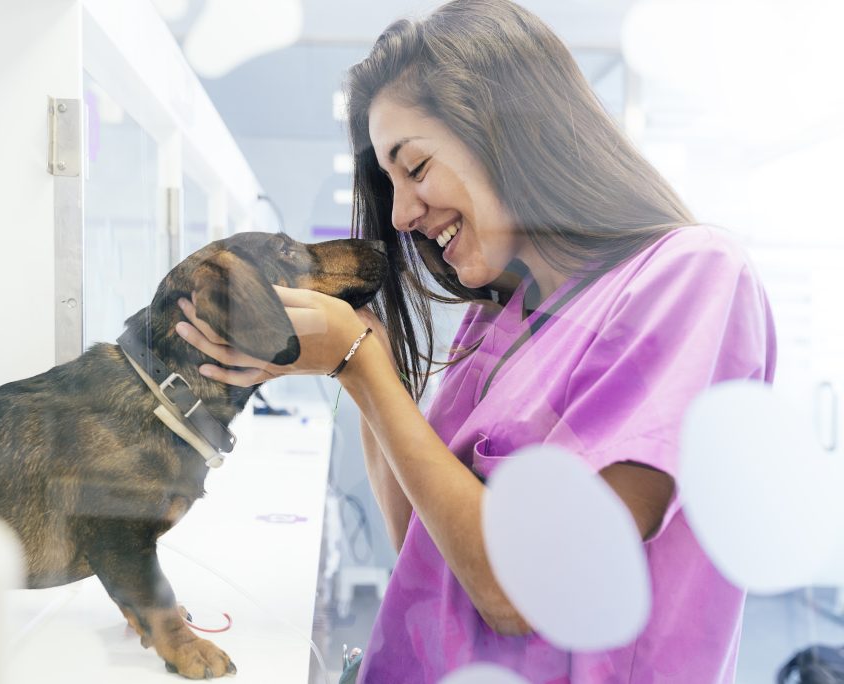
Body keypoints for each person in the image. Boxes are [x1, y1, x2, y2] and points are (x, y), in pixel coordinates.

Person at [175, 0, 777, 681]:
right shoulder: (501, 317)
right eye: (391, 183)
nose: (401, 214)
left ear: (507, 133)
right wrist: (362, 361)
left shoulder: (692, 278)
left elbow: (521, 591)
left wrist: (361, 363)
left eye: (416, 167)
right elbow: (425, 549)